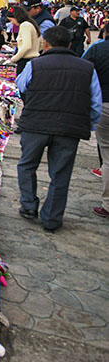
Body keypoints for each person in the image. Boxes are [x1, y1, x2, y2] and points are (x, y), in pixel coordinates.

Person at [16, 26, 101, 232]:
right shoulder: (87, 68)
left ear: (45, 43)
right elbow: (96, 104)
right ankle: (52, 218)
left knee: (27, 165)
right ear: (70, 44)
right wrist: (85, 124)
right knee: (61, 174)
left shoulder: (35, 64)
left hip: (36, 124)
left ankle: (28, 205)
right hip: (69, 129)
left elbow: (21, 86)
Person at [84, 24, 109, 219]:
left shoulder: (99, 48)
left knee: (107, 152)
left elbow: (83, 70)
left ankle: (108, 204)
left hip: (105, 103)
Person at [8, 5, 40, 75]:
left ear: (16, 17)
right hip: (32, 60)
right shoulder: (30, 24)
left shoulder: (25, 25)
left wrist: (14, 59)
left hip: (26, 60)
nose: (11, 23)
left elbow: (27, 46)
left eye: (11, 20)